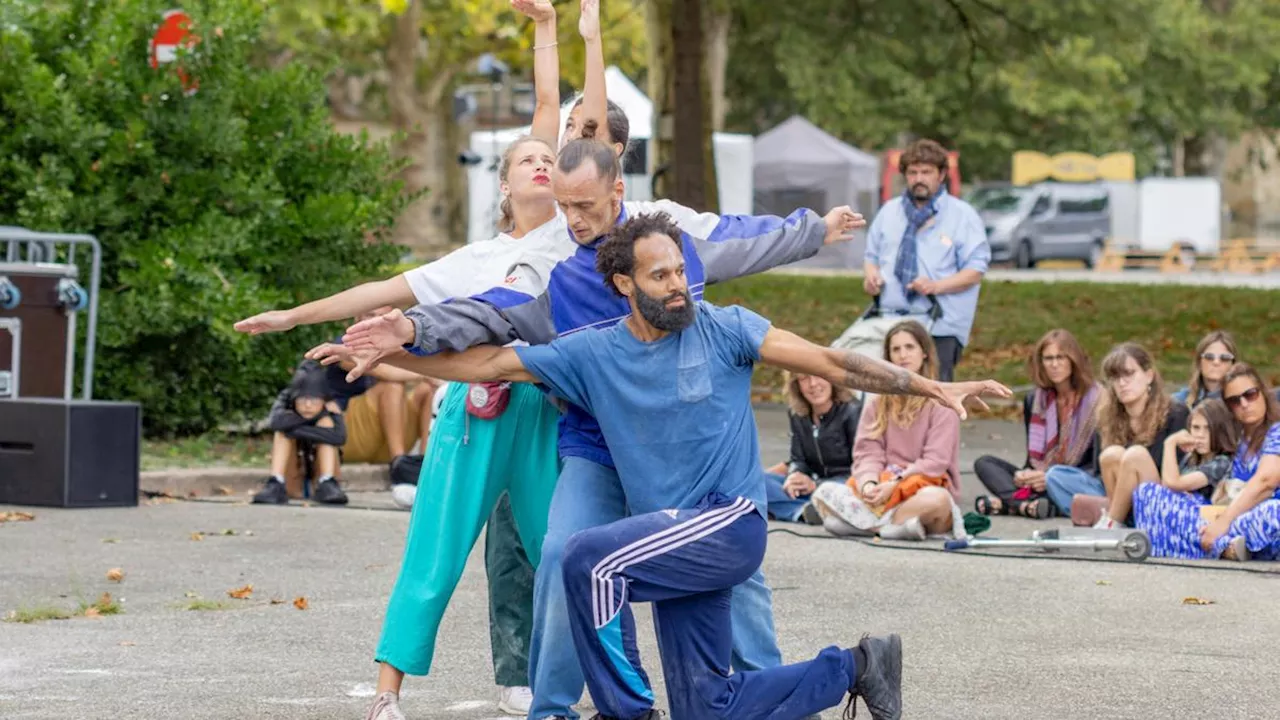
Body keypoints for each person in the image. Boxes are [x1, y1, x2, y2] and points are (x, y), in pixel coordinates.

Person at [310, 211, 1011, 720]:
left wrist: (931, 386)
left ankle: (625, 716)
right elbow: (486, 360)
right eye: (661, 275)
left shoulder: (727, 327)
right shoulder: (593, 353)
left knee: (585, 560)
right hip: (671, 542)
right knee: (709, 705)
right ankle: (858, 667)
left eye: (681, 270)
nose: (679, 286)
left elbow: (833, 362)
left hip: (728, 524)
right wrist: (390, 350)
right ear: (623, 284)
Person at [337, 135, 867, 720]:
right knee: (567, 556)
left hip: (674, 455)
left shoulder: (671, 248)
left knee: (734, 577)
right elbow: (486, 314)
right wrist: (411, 332)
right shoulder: (556, 274)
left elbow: (741, 239)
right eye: (563, 206)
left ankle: (779, 696)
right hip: (597, 450)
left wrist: (814, 229)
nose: (573, 219)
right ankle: (555, 707)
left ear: (618, 191)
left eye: (584, 205)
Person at [237, 138, 565, 719]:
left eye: (550, 158)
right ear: (506, 186)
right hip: (475, 411)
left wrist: (580, 42)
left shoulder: (577, 241)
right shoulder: (477, 257)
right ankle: (386, 697)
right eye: (527, 160)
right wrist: (293, 315)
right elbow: (378, 293)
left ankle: (600, 690)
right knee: (434, 555)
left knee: (563, 558)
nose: (543, 164)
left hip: (543, 408)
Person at [810, 321, 965, 541]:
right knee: (824, 492)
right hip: (882, 487)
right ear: (889, 358)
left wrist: (896, 485)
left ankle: (865, 527)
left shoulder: (942, 404)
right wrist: (869, 484)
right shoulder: (876, 402)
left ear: (925, 354)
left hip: (920, 486)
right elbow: (867, 453)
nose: (903, 355)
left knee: (936, 500)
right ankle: (896, 528)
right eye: (896, 349)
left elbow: (935, 462)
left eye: (909, 347)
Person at [862, 139, 990, 382]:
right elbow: (871, 258)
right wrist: (870, 277)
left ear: (941, 175)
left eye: (926, 172)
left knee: (933, 400)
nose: (919, 178)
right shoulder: (889, 212)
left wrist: (935, 286)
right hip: (890, 322)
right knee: (873, 393)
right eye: (913, 172)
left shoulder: (963, 215)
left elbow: (975, 271)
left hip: (940, 325)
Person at [1043, 343, 1189, 524]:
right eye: (1115, 377)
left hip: (1160, 495)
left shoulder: (1175, 413)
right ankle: (1117, 517)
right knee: (1065, 472)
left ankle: (1111, 520)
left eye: (1129, 374)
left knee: (1135, 455)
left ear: (1149, 376)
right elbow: (1100, 471)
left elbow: (1177, 471)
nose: (1122, 383)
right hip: (1118, 492)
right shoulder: (1106, 417)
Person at [973, 329, 1101, 519]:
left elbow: (1096, 466)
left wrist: (1049, 477)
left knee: (1055, 478)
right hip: (1041, 478)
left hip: (1077, 480)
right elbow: (1033, 457)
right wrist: (1027, 475)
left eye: (1061, 358)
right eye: (1048, 359)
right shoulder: (1035, 400)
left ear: (1074, 360)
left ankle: (1012, 505)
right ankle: (1027, 506)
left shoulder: (1096, 400)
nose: (1054, 365)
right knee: (984, 464)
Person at [1130, 399, 1242, 558]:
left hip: (1206, 521)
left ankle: (1220, 548)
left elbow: (1173, 483)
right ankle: (1161, 547)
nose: (1201, 435)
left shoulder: (1222, 461)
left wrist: (1170, 443)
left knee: (1147, 491)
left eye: (1208, 429)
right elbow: (1166, 490)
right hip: (1187, 521)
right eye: (1196, 428)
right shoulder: (1191, 459)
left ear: (1219, 430)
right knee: (1144, 493)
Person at [762, 372, 862, 523]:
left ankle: (794, 509)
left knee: (844, 490)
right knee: (757, 481)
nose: (813, 384)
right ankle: (804, 512)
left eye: (819, 375)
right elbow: (798, 459)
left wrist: (816, 485)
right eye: (804, 378)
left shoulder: (852, 411)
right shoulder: (797, 414)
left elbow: (861, 468)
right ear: (797, 385)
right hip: (809, 487)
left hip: (843, 485)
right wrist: (794, 475)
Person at [257, 360, 350, 505]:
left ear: (322, 399)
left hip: (318, 472)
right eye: (302, 400)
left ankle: (327, 482)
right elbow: (275, 423)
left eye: (313, 400)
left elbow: (339, 436)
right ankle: (276, 482)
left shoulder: (330, 403)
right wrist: (308, 420)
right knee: (281, 432)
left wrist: (302, 425)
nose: (307, 405)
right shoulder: (286, 398)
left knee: (326, 423)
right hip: (293, 474)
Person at [1172, 331, 1236, 407]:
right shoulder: (1181, 400)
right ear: (1199, 362)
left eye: (1224, 358)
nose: (1216, 362)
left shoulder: (1242, 400)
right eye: (1209, 357)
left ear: (1233, 364)